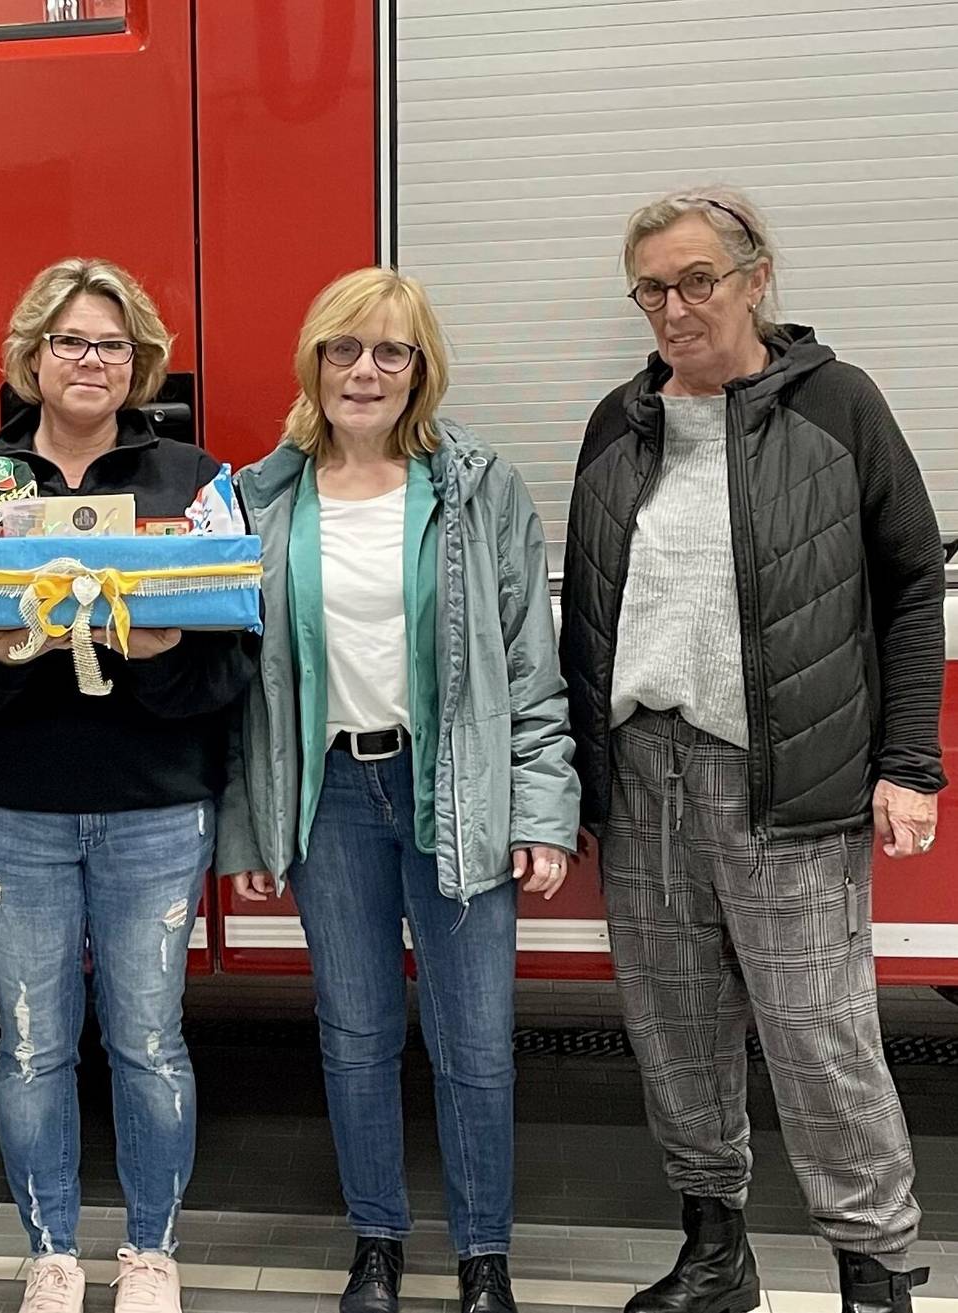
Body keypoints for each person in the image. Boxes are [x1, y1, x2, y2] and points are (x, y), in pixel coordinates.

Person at [560, 186, 943, 1313]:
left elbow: (911, 581)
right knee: (675, 1031)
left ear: (755, 275)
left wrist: (908, 762)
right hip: (644, 778)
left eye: (696, 281)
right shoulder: (615, 423)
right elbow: (593, 610)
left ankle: (874, 1273)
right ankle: (717, 1252)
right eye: (651, 288)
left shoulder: (839, 405)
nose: (673, 308)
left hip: (787, 782)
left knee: (821, 1038)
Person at [216, 267, 578, 1313]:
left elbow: (528, 663)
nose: (365, 370)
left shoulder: (477, 486)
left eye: (391, 351)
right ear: (313, 361)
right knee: (356, 1033)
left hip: (451, 789)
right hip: (331, 795)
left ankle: (483, 1256)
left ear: (422, 368)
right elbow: (243, 686)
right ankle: (375, 1241)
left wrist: (541, 806)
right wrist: (250, 826)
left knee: (474, 1041)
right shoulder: (261, 495)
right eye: (345, 348)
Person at [0, 257, 256, 1313]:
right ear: (31, 356)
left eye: (110, 343)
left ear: (141, 359)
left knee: (149, 1039)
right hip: (12, 802)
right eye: (69, 341)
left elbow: (235, 658)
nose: (90, 361)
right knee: (30, 1040)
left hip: (155, 800)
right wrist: (7, 650)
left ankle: (150, 1251)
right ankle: (51, 1249)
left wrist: (154, 649)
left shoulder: (193, 480)